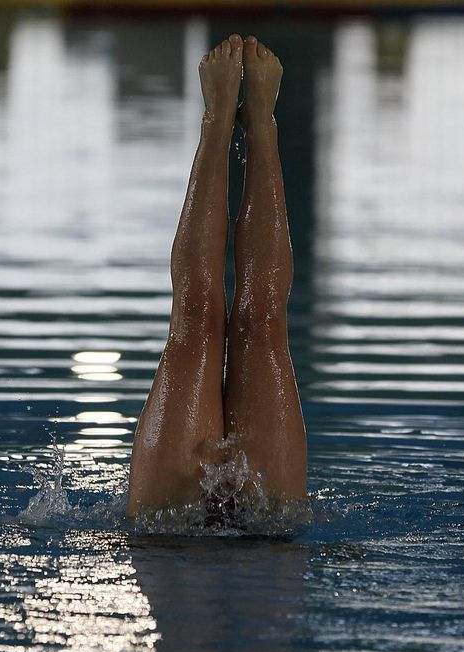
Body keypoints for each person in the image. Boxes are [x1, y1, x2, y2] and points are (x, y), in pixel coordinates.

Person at [126, 36, 306, 521]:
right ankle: (249, 120)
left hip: (169, 533)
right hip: (268, 537)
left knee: (205, 323)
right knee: (252, 323)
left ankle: (225, 119)